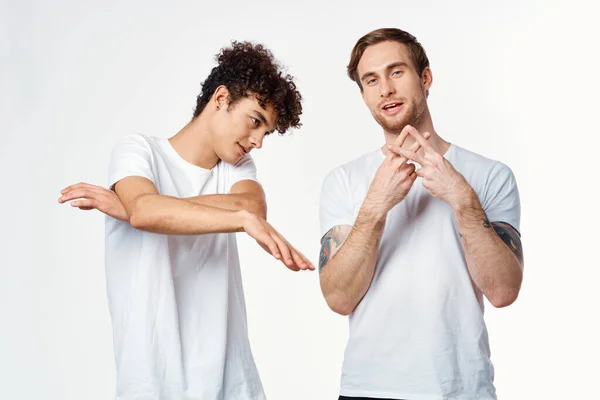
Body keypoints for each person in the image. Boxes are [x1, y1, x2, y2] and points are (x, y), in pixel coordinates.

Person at [59, 41, 314, 400]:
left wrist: (138, 208)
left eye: (266, 132)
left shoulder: (237, 167)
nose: (257, 141)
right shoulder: (139, 152)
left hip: (233, 383)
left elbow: (251, 210)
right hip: (152, 381)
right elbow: (147, 211)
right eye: (255, 121)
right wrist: (143, 210)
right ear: (221, 98)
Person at [318, 28, 524, 400]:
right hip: (369, 389)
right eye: (371, 80)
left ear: (425, 77)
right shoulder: (344, 180)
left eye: (397, 72)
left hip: (461, 389)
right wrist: (375, 207)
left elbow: (504, 290)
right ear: (363, 95)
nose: (386, 89)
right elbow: (338, 298)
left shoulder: (490, 175)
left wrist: (462, 199)